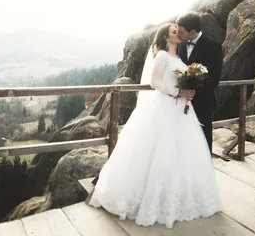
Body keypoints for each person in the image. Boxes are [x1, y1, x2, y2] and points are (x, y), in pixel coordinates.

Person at [88, 23, 221, 228]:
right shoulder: (161, 56)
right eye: (174, 32)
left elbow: (180, 79)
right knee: (159, 149)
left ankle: (178, 196)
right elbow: (155, 82)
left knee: (180, 152)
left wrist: (190, 84)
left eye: (179, 31)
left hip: (180, 110)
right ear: (167, 38)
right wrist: (178, 93)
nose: (179, 33)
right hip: (166, 107)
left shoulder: (178, 58)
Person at [176, 12, 223, 154]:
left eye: (181, 32)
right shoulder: (180, 45)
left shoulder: (213, 46)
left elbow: (214, 79)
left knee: (203, 140)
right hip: (180, 104)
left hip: (203, 103)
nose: (178, 34)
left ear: (193, 32)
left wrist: (192, 89)